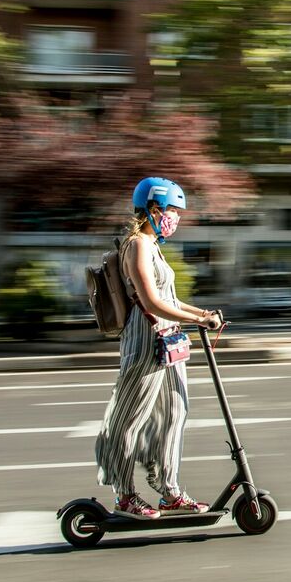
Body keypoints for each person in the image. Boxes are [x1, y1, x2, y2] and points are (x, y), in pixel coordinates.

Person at [95, 176, 222, 519]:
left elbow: (170, 298)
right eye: (172, 211)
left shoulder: (153, 246)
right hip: (145, 339)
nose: (176, 218)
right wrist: (199, 322)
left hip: (168, 340)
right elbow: (151, 303)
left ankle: (169, 491)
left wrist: (203, 314)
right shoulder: (137, 245)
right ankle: (124, 495)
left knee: (173, 414)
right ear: (153, 209)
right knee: (130, 418)